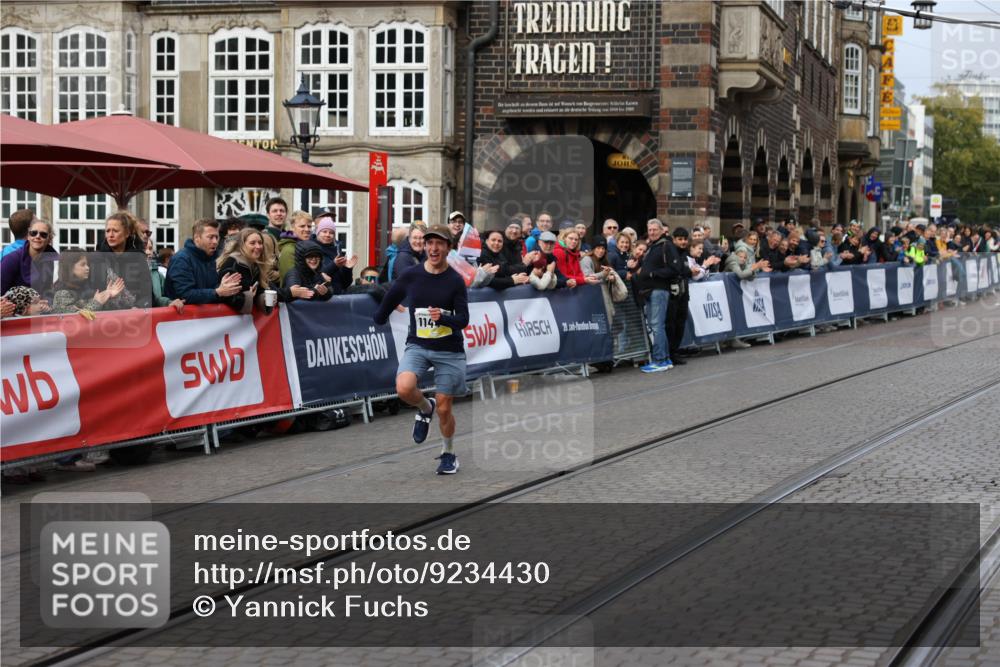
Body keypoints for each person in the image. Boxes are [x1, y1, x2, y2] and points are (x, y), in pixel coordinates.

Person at [373, 224, 469, 475]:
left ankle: (448, 453)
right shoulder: (411, 275)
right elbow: (391, 295)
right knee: (403, 387)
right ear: (424, 246)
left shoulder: (455, 281)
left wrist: (444, 319)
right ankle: (424, 409)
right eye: (429, 243)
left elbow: (464, 320)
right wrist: (379, 317)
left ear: (448, 248)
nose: (433, 248)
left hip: (449, 348)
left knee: (445, 407)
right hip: (418, 344)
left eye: (439, 243)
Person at [634, 219, 689, 372]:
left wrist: (652, 274)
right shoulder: (653, 246)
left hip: (659, 290)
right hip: (651, 291)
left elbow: (675, 268)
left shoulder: (666, 245)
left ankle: (659, 360)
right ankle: (664, 359)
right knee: (658, 326)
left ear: (661, 230)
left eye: (654, 229)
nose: (652, 232)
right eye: (649, 230)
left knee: (657, 326)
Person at [165, 220, 243, 304]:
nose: (215, 242)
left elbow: (214, 289)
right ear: (197, 238)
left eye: (217, 237)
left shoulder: (212, 258)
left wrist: (229, 289)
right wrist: (217, 292)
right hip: (183, 316)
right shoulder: (181, 259)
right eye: (210, 237)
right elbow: (185, 295)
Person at [217, 228, 287, 313]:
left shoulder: (255, 265)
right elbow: (228, 297)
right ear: (241, 245)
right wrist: (249, 296)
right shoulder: (233, 264)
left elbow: (259, 290)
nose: (258, 246)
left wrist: (264, 299)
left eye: (260, 243)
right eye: (252, 243)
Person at [92, 211, 151, 309]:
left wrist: (138, 307)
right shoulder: (97, 258)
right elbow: (88, 290)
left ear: (127, 233)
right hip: (102, 317)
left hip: (132, 318)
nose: (110, 235)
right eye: (108, 231)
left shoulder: (138, 258)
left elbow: (147, 295)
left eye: (115, 231)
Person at [0, 217, 58, 301]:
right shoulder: (11, 259)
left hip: (40, 312)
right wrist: (26, 308)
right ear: (28, 236)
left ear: (49, 239)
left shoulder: (49, 260)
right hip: (12, 311)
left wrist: (46, 303)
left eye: (43, 234)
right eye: (33, 233)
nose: (37, 236)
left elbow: (47, 291)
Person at [51, 249, 125, 314]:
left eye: (87, 264)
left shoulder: (85, 288)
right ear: (69, 268)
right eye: (83, 265)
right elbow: (75, 319)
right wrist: (96, 303)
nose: (87, 268)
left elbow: (99, 311)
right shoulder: (61, 294)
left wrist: (109, 295)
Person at [312, 214, 356, 293]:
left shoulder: (337, 251)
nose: (328, 235)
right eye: (324, 231)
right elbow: (313, 277)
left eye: (331, 232)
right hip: (321, 299)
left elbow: (346, 284)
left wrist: (348, 269)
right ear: (317, 233)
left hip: (338, 298)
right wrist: (334, 265)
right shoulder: (311, 250)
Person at [146, 237, 184, 312]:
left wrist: (170, 302)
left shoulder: (158, 274)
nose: (148, 252)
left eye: (150, 248)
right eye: (143, 248)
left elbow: (159, 298)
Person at [277, 211, 313, 281]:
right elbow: (292, 281)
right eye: (302, 226)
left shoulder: (305, 246)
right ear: (292, 228)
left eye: (309, 226)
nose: (307, 229)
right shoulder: (289, 250)